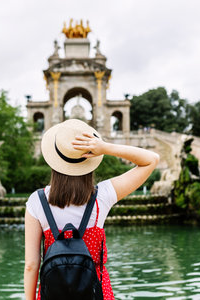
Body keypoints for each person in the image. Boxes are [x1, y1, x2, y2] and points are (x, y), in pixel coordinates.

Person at [24, 119, 160, 299]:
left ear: (54, 160)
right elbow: (151, 160)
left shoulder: (37, 201)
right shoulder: (102, 196)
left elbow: (31, 265)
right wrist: (104, 147)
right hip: (96, 291)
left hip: (52, 293)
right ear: (90, 158)